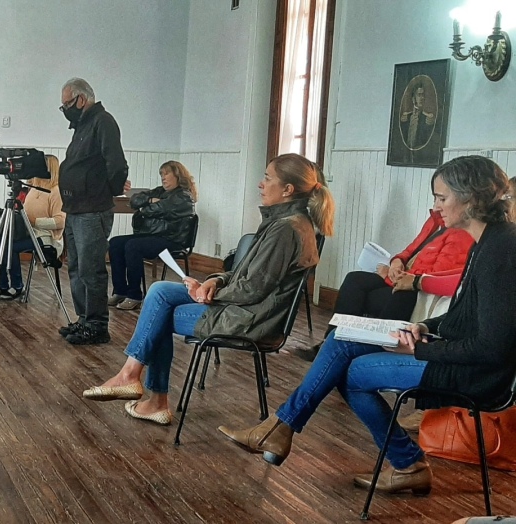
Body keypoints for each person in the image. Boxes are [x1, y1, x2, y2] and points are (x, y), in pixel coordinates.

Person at [218, 156, 516, 499]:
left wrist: (419, 347)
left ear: (472, 198)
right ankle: (284, 429)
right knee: (343, 343)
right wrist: (422, 325)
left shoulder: (502, 250)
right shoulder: (490, 242)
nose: (435, 207)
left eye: (442, 198)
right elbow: (467, 315)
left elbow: (493, 347)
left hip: (477, 374)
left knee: (349, 373)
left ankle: (401, 462)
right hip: (455, 356)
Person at [83, 153, 335, 425]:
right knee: (159, 291)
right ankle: (133, 379)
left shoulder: (286, 230)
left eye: (267, 178)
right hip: (242, 306)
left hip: (249, 319)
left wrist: (206, 293)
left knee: (159, 314)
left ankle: (146, 392)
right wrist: (214, 281)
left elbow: (253, 289)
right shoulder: (284, 222)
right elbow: (244, 275)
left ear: (288, 189)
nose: (261, 184)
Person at [295, 203, 474, 362]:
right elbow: (411, 250)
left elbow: (437, 273)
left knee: (392, 295)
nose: (435, 206)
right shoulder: (435, 221)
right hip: (404, 277)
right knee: (354, 279)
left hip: (417, 290)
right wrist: (397, 261)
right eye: (435, 198)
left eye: (442, 199)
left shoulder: (463, 233)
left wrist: (389, 276)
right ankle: (330, 342)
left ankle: (366, 350)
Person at [56, 78, 129, 345]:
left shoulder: (103, 121)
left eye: (67, 103)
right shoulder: (82, 126)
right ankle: (84, 319)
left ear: (81, 99)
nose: (65, 109)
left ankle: (97, 325)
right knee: (76, 267)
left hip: (92, 209)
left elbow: (117, 163)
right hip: (76, 209)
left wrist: (107, 190)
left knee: (91, 269)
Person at [108, 160, 197, 311]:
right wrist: (149, 200)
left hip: (171, 239)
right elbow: (135, 199)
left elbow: (159, 209)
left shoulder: (184, 196)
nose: (163, 177)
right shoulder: (160, 191)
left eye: (167, 173)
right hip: (152, 235)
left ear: (177, 174)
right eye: (161, 174)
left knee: (133, 246)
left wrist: (144, 209)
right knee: (115, 243)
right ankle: (120, 291)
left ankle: (135, 295)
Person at [0, 154, 66, 300]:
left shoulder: (56, 191)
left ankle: (17, 286)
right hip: (27, 232)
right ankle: (2, 285)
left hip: (45, 237)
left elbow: (60, 221)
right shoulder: (33, 188)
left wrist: (34, 222)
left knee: (9, 247)